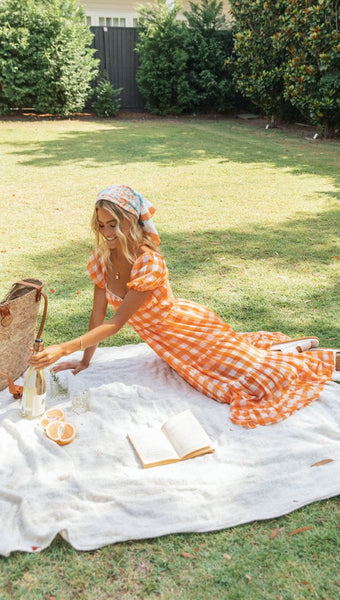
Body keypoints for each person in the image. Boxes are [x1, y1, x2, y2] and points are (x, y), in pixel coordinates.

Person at [30, 184, 339, 428]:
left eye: (114, 225)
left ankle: (328, 359)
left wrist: (62, 349)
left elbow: (117, 323)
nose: (108, 233)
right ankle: (290, 348)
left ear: (130, 222)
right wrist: (84, 361)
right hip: (171, 346)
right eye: (101, 226)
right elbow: (98, 315)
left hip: (190, 333)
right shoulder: (102, 259)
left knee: (261, 381)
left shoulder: (148, 261)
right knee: (240, 373)